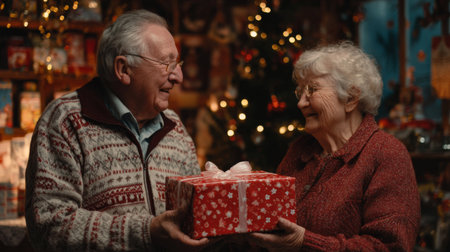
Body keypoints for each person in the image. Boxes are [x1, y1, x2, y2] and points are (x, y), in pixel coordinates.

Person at [25, 9, 210, 251]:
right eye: (167, 64)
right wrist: (146, 232)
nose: (179, 76)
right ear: (123, 69)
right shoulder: (65, 120)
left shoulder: (174, 127)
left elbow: (195, 218)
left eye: (178, 64)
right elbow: (48, 224)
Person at [248, 41, 420, 251]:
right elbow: (269, 230)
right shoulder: (299, 151)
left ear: (351, 98)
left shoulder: (386, 154)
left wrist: (305, 242)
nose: (301, 103)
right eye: (300, 92)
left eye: (312, 89)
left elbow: (390, 246)